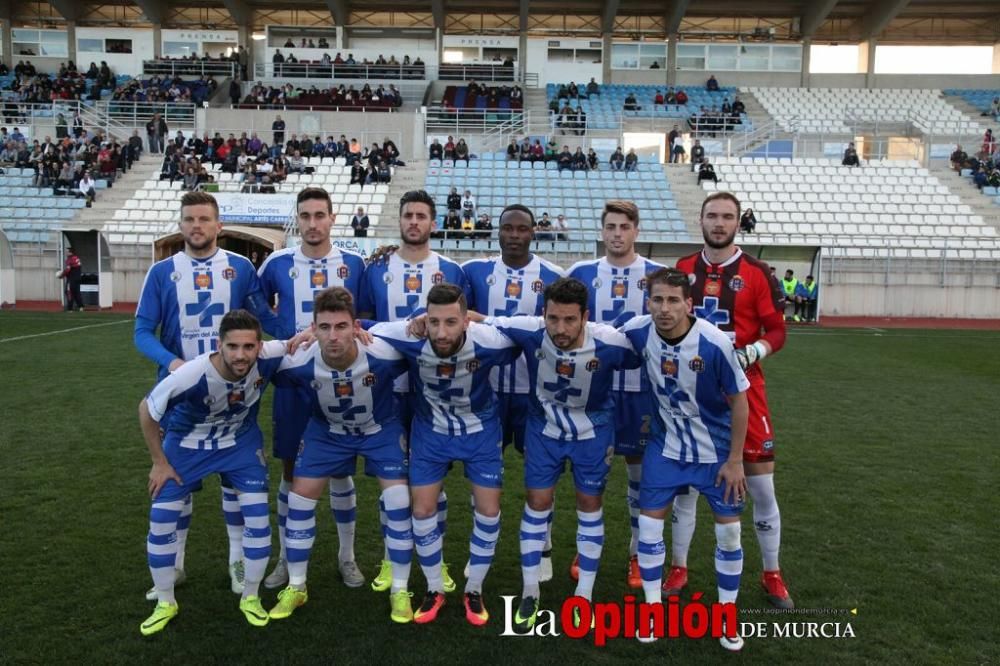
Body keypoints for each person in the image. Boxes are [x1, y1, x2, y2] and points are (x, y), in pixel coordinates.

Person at [134, 191, 281, 603]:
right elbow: (142, 331)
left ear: (219, 226)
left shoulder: (240, 268)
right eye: (189, 219)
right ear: (180, 225)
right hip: (182, 395)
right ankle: (174, 566)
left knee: (237, 484)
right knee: (176, 482)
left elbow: (264, 320)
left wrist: (312, 330)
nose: (196, 226)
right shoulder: (162, 272)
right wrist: (173, 362)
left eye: (204, 219)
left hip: (233, 392)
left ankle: (238, 565)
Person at [474, 278, 642, 631]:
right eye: (553, 319)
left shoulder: (611, 342)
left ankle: (583, 595)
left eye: (569, 320)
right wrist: (421, 322)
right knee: (537, 503)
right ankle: (530, 590)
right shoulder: (529, 330)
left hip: (592, 433)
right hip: (544, 431)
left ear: (586, 316)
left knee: (589, 504)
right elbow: (478, 320)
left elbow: (651, 347)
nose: (560, 329)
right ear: (543, 314)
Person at [669, 192, 793, 609]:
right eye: (711, 216)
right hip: (691, 389)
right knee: (684, 485)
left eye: (727, 217)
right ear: (700, 220)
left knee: (760, 486)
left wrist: (751, 352)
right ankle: (679, 567)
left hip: (744, 388)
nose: (718, 223)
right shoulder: (683, 269)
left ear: (738, 223)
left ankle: (772, 573)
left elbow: (777, 330)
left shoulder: (757, 273)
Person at [371, 284, 521, 626]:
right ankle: (434, 588)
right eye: (434, 321)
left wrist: (485, 318)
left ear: (465, 320)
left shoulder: (488, 339)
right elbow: (360, 329)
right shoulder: (409, 334)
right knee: (422, 510)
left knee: (488, 510)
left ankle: (474, 589)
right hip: (431, 432)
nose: (441, 331)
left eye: (451, 322)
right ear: (425, 317)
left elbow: (523, 332)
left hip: (480, 432)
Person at [267, 287, 415, 623]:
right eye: (324, 328)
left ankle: (401, 590)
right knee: (300, 499)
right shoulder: (296, 357)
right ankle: (297, 585)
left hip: (380, 431)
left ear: (355, 326)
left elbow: (418, 331)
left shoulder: (384, 351)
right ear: (313, 329)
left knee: (398, 501)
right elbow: (249, 360)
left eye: (341, 327)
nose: (333, 336)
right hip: (327, 433)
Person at [622, 267, 750, 651]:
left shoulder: (713, 343)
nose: (665, 308)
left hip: (715, 454)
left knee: (729, 534)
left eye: (673, 300)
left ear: (689, 304)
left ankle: (727, 616)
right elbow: (594, 335)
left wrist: (736, 460)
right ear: (649, 302)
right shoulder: (638, 330)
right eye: (658, 299)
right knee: (647, 530)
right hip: (665, 448)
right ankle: (652, 609)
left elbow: (740, 402)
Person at [138, 310, 283, 635]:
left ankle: (250, 596)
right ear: (220, 345)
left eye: (249, 347)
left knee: (258, 517)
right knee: (161, 520)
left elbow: (298, 343)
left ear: (260, 346)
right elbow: (146, 410)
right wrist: (160, 462)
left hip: (239, 446)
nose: (241, 354)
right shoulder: (191, 375)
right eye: (233, 346)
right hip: (187, 446)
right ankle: (165, 601)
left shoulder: (270, 356)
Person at [357, 190, 470, 595]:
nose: (415, 222)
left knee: (430, 480)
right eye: (408, 215)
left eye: (422, 216)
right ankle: (391, 556)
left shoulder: (453, 271)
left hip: (435, 390)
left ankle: (433, 558)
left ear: (434, 223)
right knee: (392, 478)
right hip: (388, 389)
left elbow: (462, 325)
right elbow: (363, 321)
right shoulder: (376, 268)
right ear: (400, 221)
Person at [255, 188, 367, 591]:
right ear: (297, 220)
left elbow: (366, 314)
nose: (313, 223)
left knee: (339, 469)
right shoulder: (276, 263)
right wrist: (285, 334)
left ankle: (347, 557)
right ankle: (286, 558)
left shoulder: (353, 263)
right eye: (305, 215)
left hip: (340, 379)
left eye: (320, 215)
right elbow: (255, 302)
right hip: (293, 381)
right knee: (289, 468)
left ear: (333, 218)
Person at [568, 200, 665, 589]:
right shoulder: (580, 273)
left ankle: (638, 552)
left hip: (643, 392)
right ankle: (586, 546)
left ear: (636, 230)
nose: (617, 234)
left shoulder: (658, 276)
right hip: (595, 392)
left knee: (639, 476)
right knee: (592, 476)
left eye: (624, 226)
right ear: (602, 230)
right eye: (610, 226)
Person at [462, 204, 564, 457]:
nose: (514, 235)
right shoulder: (473, 271)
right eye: (508, 228)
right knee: (482, 462)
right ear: (498, 232)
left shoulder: (555, 276)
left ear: (533, 233)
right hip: (485, 387)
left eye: (522, 229)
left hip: (534, 389)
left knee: (539, 464)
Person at [58, 246, 84, 311]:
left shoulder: (70, 259)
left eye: (67, 252)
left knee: (68, 292)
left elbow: (67, 270)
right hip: (78, 278)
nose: (66, 253)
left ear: (70, 252)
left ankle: (70, 308)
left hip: (72, 279)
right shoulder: (77, 258)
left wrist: (61, 275)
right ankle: (81, 307)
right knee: (77, 292)